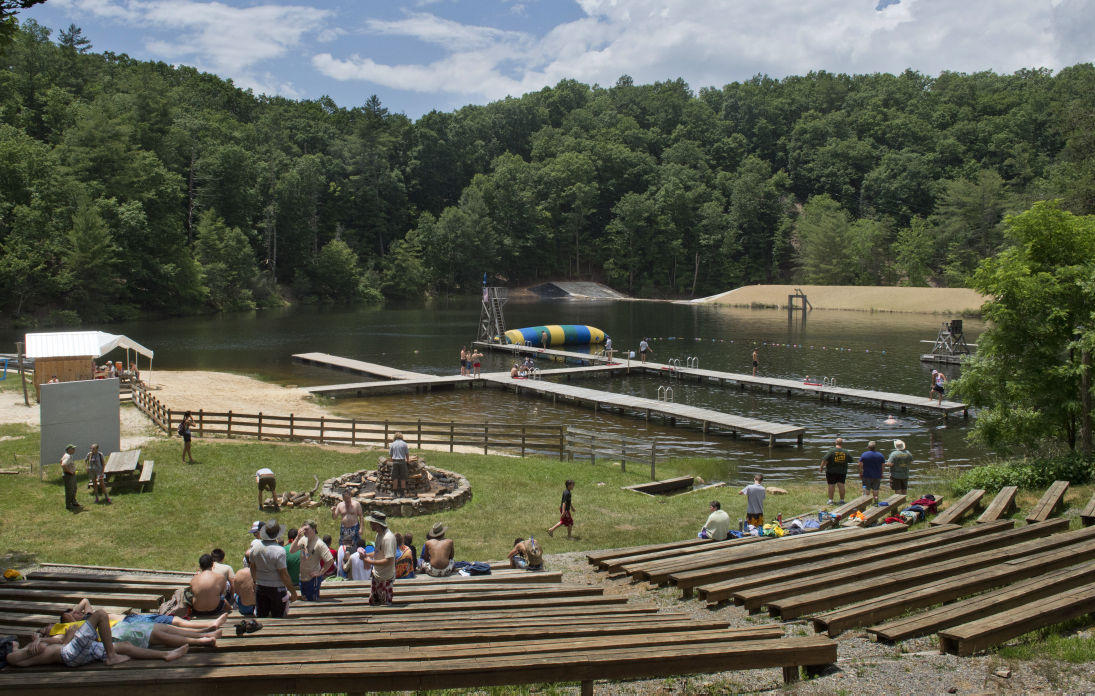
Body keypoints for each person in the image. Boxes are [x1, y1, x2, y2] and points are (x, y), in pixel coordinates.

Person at [5, 610, 184, 668]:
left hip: (75, 654)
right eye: (11, 643)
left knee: (125, 645)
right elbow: (12, 659)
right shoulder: (14, 656)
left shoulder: (29, 649)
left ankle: (165, 655)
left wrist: (39, 640)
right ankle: (112, 656)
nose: (15, 642)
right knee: (100, 615)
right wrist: (37, 642)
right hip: (69, 654)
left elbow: (57, 644)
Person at [58, 598, 226, 631]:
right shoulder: (79, 626)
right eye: (73, 614)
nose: (76, 612)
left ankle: (206, 626)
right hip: (128, 624)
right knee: (170, 624)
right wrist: (71, 614)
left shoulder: (88, 616)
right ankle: (208, 625)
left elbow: (85, 600)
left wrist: (76, 609)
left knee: (172, 621)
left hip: (131, 619)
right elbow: (65, 618)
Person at [290, 520, 333, 601]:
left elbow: (330, 560)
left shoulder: (320, 544)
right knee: (305, 600)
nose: (304, 531)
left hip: (312, 579)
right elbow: (292, 551)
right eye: (303, 529)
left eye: (306, 529)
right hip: (302, 577)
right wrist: (297, 538)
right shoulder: (303, 539)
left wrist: (320, 573)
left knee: (312, 602)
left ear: (313, 529)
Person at [360, 511, 396, 605]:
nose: (370, 525)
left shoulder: (388, 538)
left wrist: (370, 562)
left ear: (377, 524)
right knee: (373, 603)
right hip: (377, 575)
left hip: (386, 578)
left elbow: (389, 560)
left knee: (384, 607)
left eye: (372, 523)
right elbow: (378, 552)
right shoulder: (378, 534)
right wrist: (367, 555)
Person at [820, 437, 850, 505]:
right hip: (842, 471)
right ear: (842, 443)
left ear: (835, 443)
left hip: (831, 471)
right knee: (841, 485)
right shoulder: (845, 451)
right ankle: (842, 500)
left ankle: (830, 500)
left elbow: (824, 460)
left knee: (831, 485)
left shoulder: (831, 451)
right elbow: (850, 460)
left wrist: (821, 468)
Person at [389, 432, 410, 496]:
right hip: (402, 462)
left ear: (395, 437)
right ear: (401, 437)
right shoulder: (404, 444)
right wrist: (408, 460)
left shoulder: (392, 444)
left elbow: (391, 454)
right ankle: (402, 493)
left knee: (395, 477)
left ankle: (395, 493)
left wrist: (392, 460)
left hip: (395, 461)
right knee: (403, 477)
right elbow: (407, 454)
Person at [61, 444, 80, 511]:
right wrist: (69, 471)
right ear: (69, 450)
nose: (74, 450)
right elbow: (63, 464)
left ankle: (73, 501)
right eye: (73, 449)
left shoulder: (68, 456)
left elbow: (61, 461)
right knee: (70, 490)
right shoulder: (68, 457)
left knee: (74, 488)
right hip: (69, 475)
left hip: (71, 475)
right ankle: (68, 505)